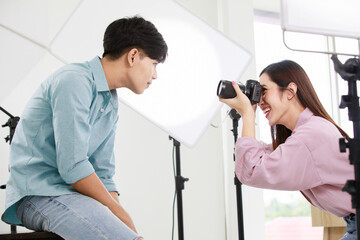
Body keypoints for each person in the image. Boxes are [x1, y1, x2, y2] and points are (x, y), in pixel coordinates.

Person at [1, 16, 167, 240]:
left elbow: (104, 173)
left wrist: (123, 219)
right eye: (154, 64)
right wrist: (119, 213)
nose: (155, 75)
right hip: (38, 194)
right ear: (133, 56)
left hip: (72, 195)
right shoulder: (74, 81)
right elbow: (73, 166)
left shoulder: (110, 101)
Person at [219, 60, 356, 240]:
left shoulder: (311, 136)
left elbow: (252, 170)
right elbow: (260, 156)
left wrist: (247, 115)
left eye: (264, 91)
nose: (260, 101)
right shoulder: (308, 130)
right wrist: (248, 110)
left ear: (290, 91)